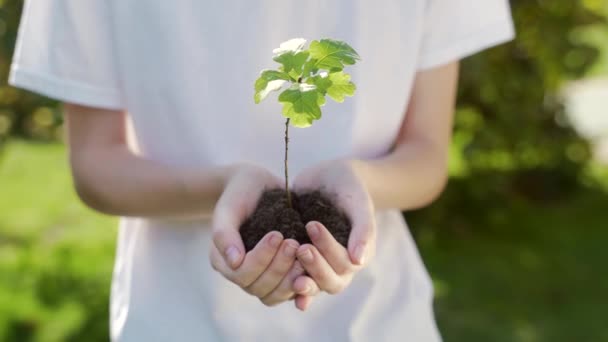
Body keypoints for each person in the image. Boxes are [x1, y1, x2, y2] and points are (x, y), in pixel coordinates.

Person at [9, 0, 514, 341]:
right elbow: (96, 165)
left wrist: (358, 183)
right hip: (177, 317)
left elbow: (426, 155)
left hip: (377, 319)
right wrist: (221, 189)